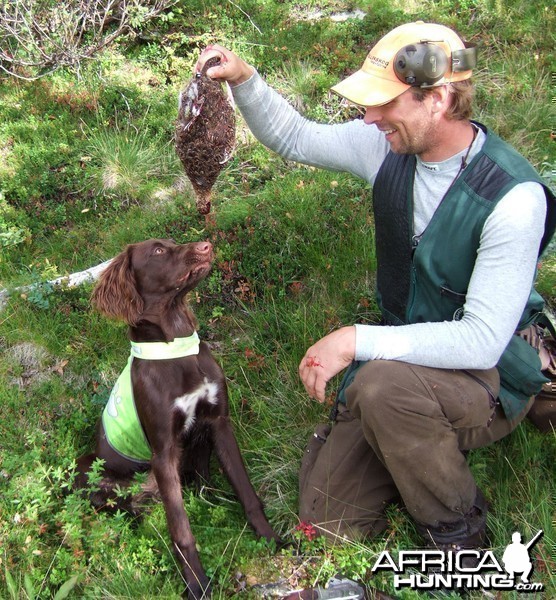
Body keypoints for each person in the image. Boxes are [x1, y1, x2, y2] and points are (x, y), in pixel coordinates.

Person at [195, 21, 556, 551]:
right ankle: (413, 426)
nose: (369, 116)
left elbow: (480, 338)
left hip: (491, 364)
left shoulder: (513, 199)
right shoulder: (388, 147)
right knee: (328, 515)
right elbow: (297, 137)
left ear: (437, 98)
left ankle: (459, 532)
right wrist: (244, 78)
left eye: (385, 103)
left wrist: (356, 340)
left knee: (382, 388)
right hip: (415, 357)